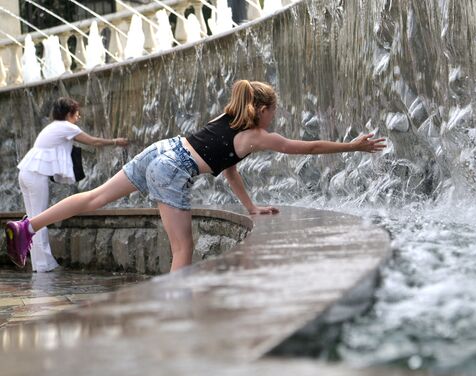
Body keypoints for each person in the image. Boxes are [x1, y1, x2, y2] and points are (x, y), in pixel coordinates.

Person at [5, 81, 386, 273]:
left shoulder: (228, 119)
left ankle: (28, 227)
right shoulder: (257, 135)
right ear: (264, 109)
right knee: (183, 249)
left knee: (94, 198)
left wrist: (251, 206)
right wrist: (351, 146)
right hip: (174, 170)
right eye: (274, 110)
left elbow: (230, 171)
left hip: (159, 150)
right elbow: (309, 148)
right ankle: (176, 312)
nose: (275, 118)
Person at [10, 97, 128, 272]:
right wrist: (116, 142)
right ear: (69, 113)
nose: (78, 117)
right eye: (77, 113)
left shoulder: (52, 126)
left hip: (26, 173)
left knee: (32, 218)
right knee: (37, 220)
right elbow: (93, 141)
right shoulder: (67, 127)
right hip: (35, 175)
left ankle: (39, 264)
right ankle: (43, 265)